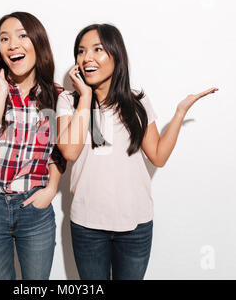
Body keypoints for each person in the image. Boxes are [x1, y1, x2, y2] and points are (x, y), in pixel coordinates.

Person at [56, 24, 218, 280]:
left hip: (136, 225)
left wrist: (179, 113)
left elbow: (158, 156)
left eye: (97, 49)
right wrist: (85, 96)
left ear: (116, 55)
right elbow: (69, 151)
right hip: (87, 225)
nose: (87, 57)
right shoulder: (69, 100)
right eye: (81, 51)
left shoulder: (137, 100)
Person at [0, 12, 65, 280]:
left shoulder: (56, 96)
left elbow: (60, 151)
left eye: (22, 36)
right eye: (4, 39)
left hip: (34, 207)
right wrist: (0, 92)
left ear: (38, 42)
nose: (13, 45)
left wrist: (52, 188)